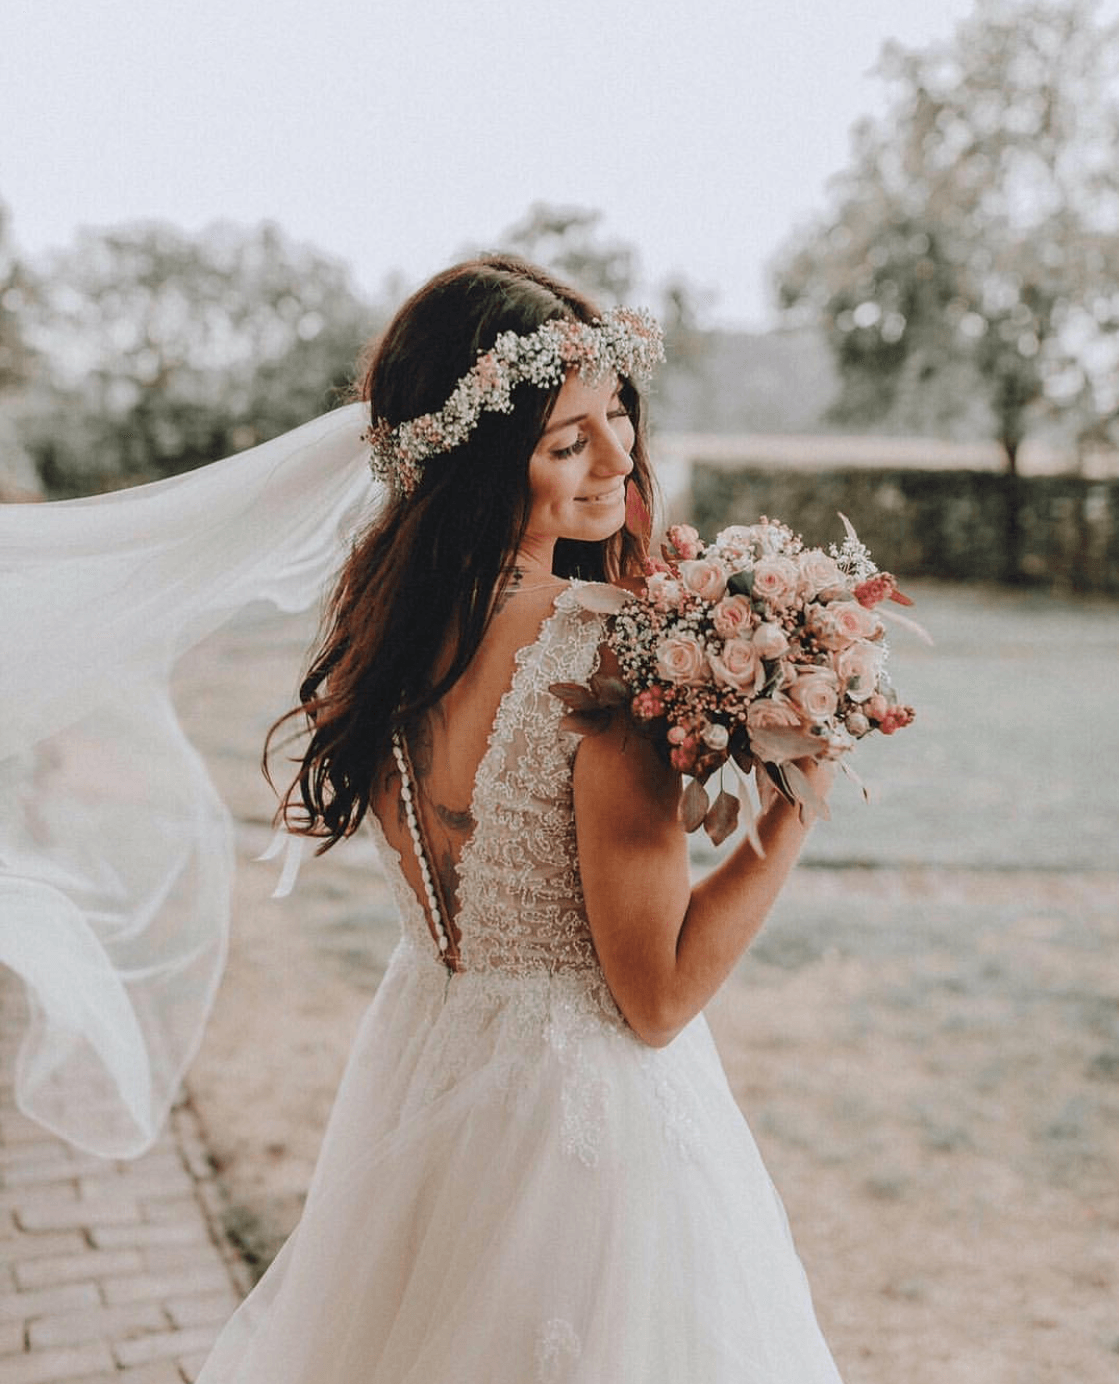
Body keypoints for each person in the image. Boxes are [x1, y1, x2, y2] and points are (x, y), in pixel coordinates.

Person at [2, 254, 842, 1381]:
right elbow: (655, 998)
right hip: (583, 1127)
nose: (616, 458)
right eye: (567, 442)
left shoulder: (387, 636)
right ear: (480, 464)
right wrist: (794, 808)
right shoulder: (607, 656)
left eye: (617, 415)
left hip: (430, 1075)